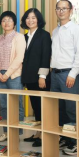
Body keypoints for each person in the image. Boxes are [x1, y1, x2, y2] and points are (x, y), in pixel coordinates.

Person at [50, 0, 79, 156]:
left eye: (64, 8)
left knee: (71, 109)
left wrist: (72, 74)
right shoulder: (55, 31)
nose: (61, 11)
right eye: (58, 8)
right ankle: (65, 137)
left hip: (68, 74)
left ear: (71, 10)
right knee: (59, 109)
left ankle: (75, 142)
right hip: (55, 74)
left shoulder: (76, 29)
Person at [0, 11, 25, 143]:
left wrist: (7, 74)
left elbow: (19, 58)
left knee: (16, 105)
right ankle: (6, 132)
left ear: (14, 23)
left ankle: (16, 134)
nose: (6, 23)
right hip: (0, 76)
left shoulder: (19, 37)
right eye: (4, 20)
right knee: (4, 106)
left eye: (9, 20)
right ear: (1, 23)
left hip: (14, 76)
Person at [21, 8, 52, 147]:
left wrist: (42, 76)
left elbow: (46, 56)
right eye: (28, 18)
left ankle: (44, 134)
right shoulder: (24, 37)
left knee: (43, 107)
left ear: (38, 19)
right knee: (35, 106)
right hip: (29, 77)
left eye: (33, 17)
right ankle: (38, 132)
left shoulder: (44, 35)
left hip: (40, 78)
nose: (30, 20)